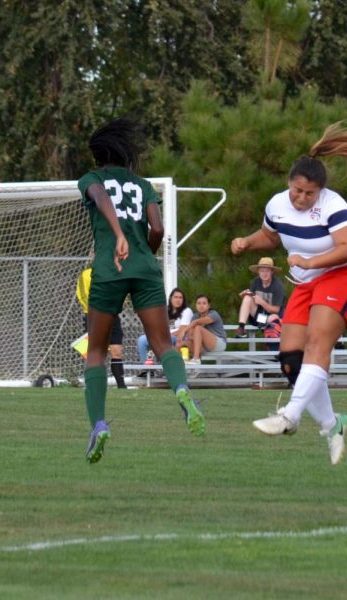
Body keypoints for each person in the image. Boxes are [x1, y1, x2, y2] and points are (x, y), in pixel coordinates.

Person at [229, 122, 347, 465]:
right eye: (297, 191)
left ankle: (290, 416)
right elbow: (271, 236)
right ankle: (332, 424)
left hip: (341, 275)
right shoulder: (277, 204)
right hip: (305, 281)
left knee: (317, 344)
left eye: (309, 193)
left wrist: (309, 260)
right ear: (289, 184)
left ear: (320, 190)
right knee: (292, 361)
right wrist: (248, 241)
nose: (301, 198)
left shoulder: (334, 205)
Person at [78, 118, 204, 464]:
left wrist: (117, 233)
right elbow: (158, 227)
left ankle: (99, 425)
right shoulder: (143, 185)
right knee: (164, 344)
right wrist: (144, 252)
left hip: (109, 269)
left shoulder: (92, 179)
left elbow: (100, 196)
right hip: (145, 268)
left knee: (96, 352)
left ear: (97, 156)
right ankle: (182, 390)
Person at [76, 264, 127, 388]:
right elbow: (83, 295)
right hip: (94, 316)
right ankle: (94, 384)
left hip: (112, 316)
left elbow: (121, 294)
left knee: (117, 351)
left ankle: (121, 386)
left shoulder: (115, 274)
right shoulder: (86, 274)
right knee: (96, 353)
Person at [137, 287, 194, 364]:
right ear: (171, 299)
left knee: (159, 342)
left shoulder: (187, 311)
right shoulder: (165, 310)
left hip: (177, 338)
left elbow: (182, 330)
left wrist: (164, 336)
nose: (178, 300)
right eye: (176, 297)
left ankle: (163, 366)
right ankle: (145, 367)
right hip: (164, 336)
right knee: (142, 340)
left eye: (180, 298)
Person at [235, 257, 285, 338]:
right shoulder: (255, 282)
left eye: (267, 271)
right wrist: (245, 296)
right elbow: (252, 302)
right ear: (258, 271)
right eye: (262, 271)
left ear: (272, 272)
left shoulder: (277, 286)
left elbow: (276, 310)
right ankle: (241, 328)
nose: (264, 274)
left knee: (274, 318)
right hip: (259, 318)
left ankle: (271, 335)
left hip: (272, 319)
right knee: (247, 297)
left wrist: (262, 302)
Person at [184, 294, 227, 364]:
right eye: (198, 303)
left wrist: (185, 329)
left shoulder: (213, 314)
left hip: (219, 344)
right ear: (195, 305)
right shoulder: (195, 316)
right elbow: (190, 334)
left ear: (209, 305)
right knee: (184, 343)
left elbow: (198, 322)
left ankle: (196, 359)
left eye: (204, 303)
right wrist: (190, 335)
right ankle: (190, 365)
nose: (201, 305)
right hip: (204, 346)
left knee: (198, 328)